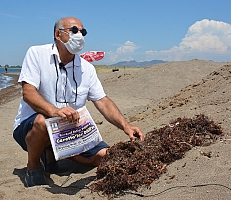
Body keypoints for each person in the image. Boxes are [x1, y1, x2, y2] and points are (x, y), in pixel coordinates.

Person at [13, 16, 145, 187]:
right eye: (74, 31)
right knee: (42, 121)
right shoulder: (37, 54)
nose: (79, 35)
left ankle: (57, 154)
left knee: (105, 156)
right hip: (32, 128)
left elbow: (102, 101)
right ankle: (34, 168)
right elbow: (28, 93)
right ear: (58, 34)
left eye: (83, 32)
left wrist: (126, 126)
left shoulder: (87, 68)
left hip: (71, 129)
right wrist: (54, 111)